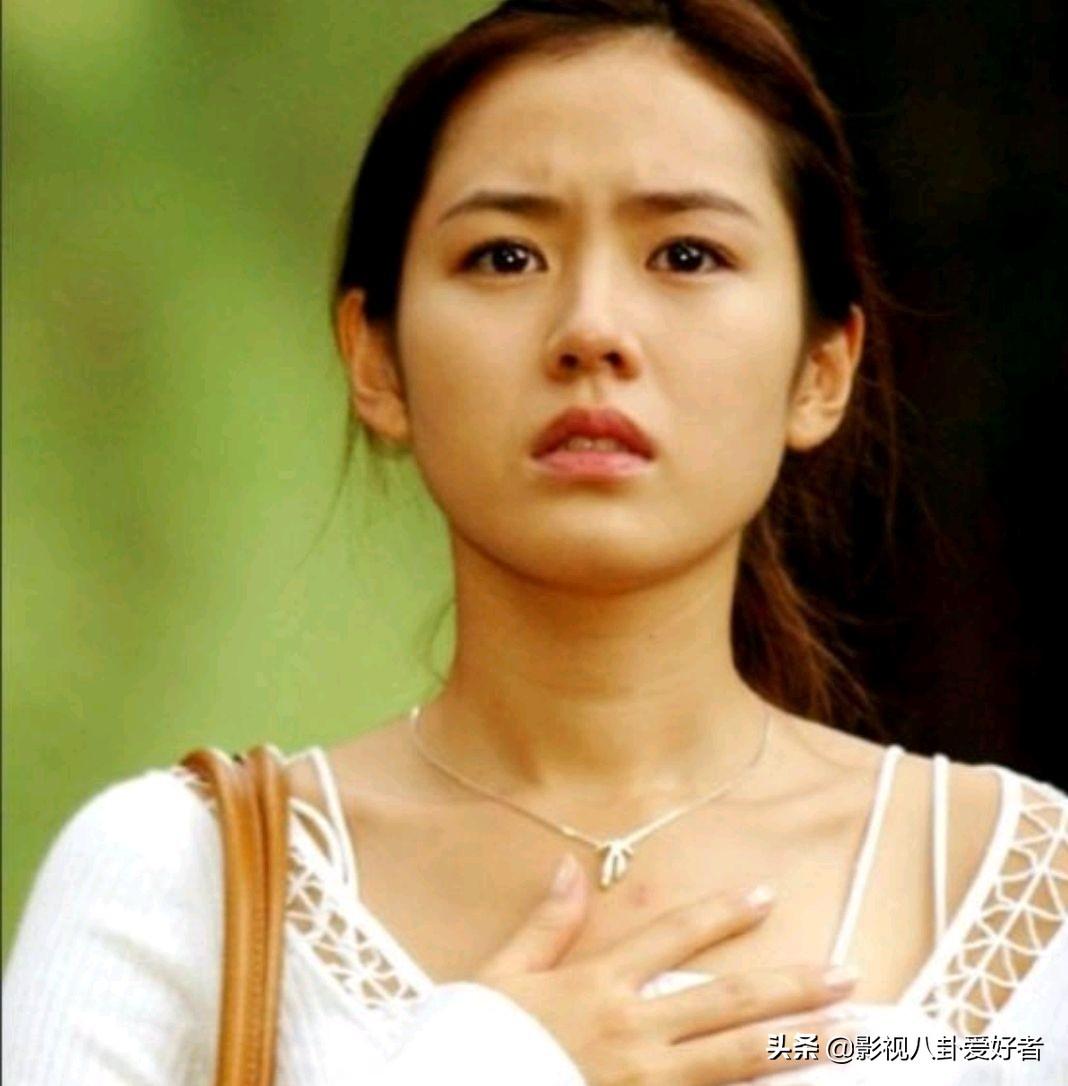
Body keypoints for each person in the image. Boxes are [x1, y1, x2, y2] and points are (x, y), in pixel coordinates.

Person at [4, 1, 1066, 1083]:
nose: (592, 329)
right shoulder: (179, 878)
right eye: (506, 256)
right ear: (375, 358)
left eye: (687, 254)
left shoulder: (1023, 886)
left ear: (822, 368)